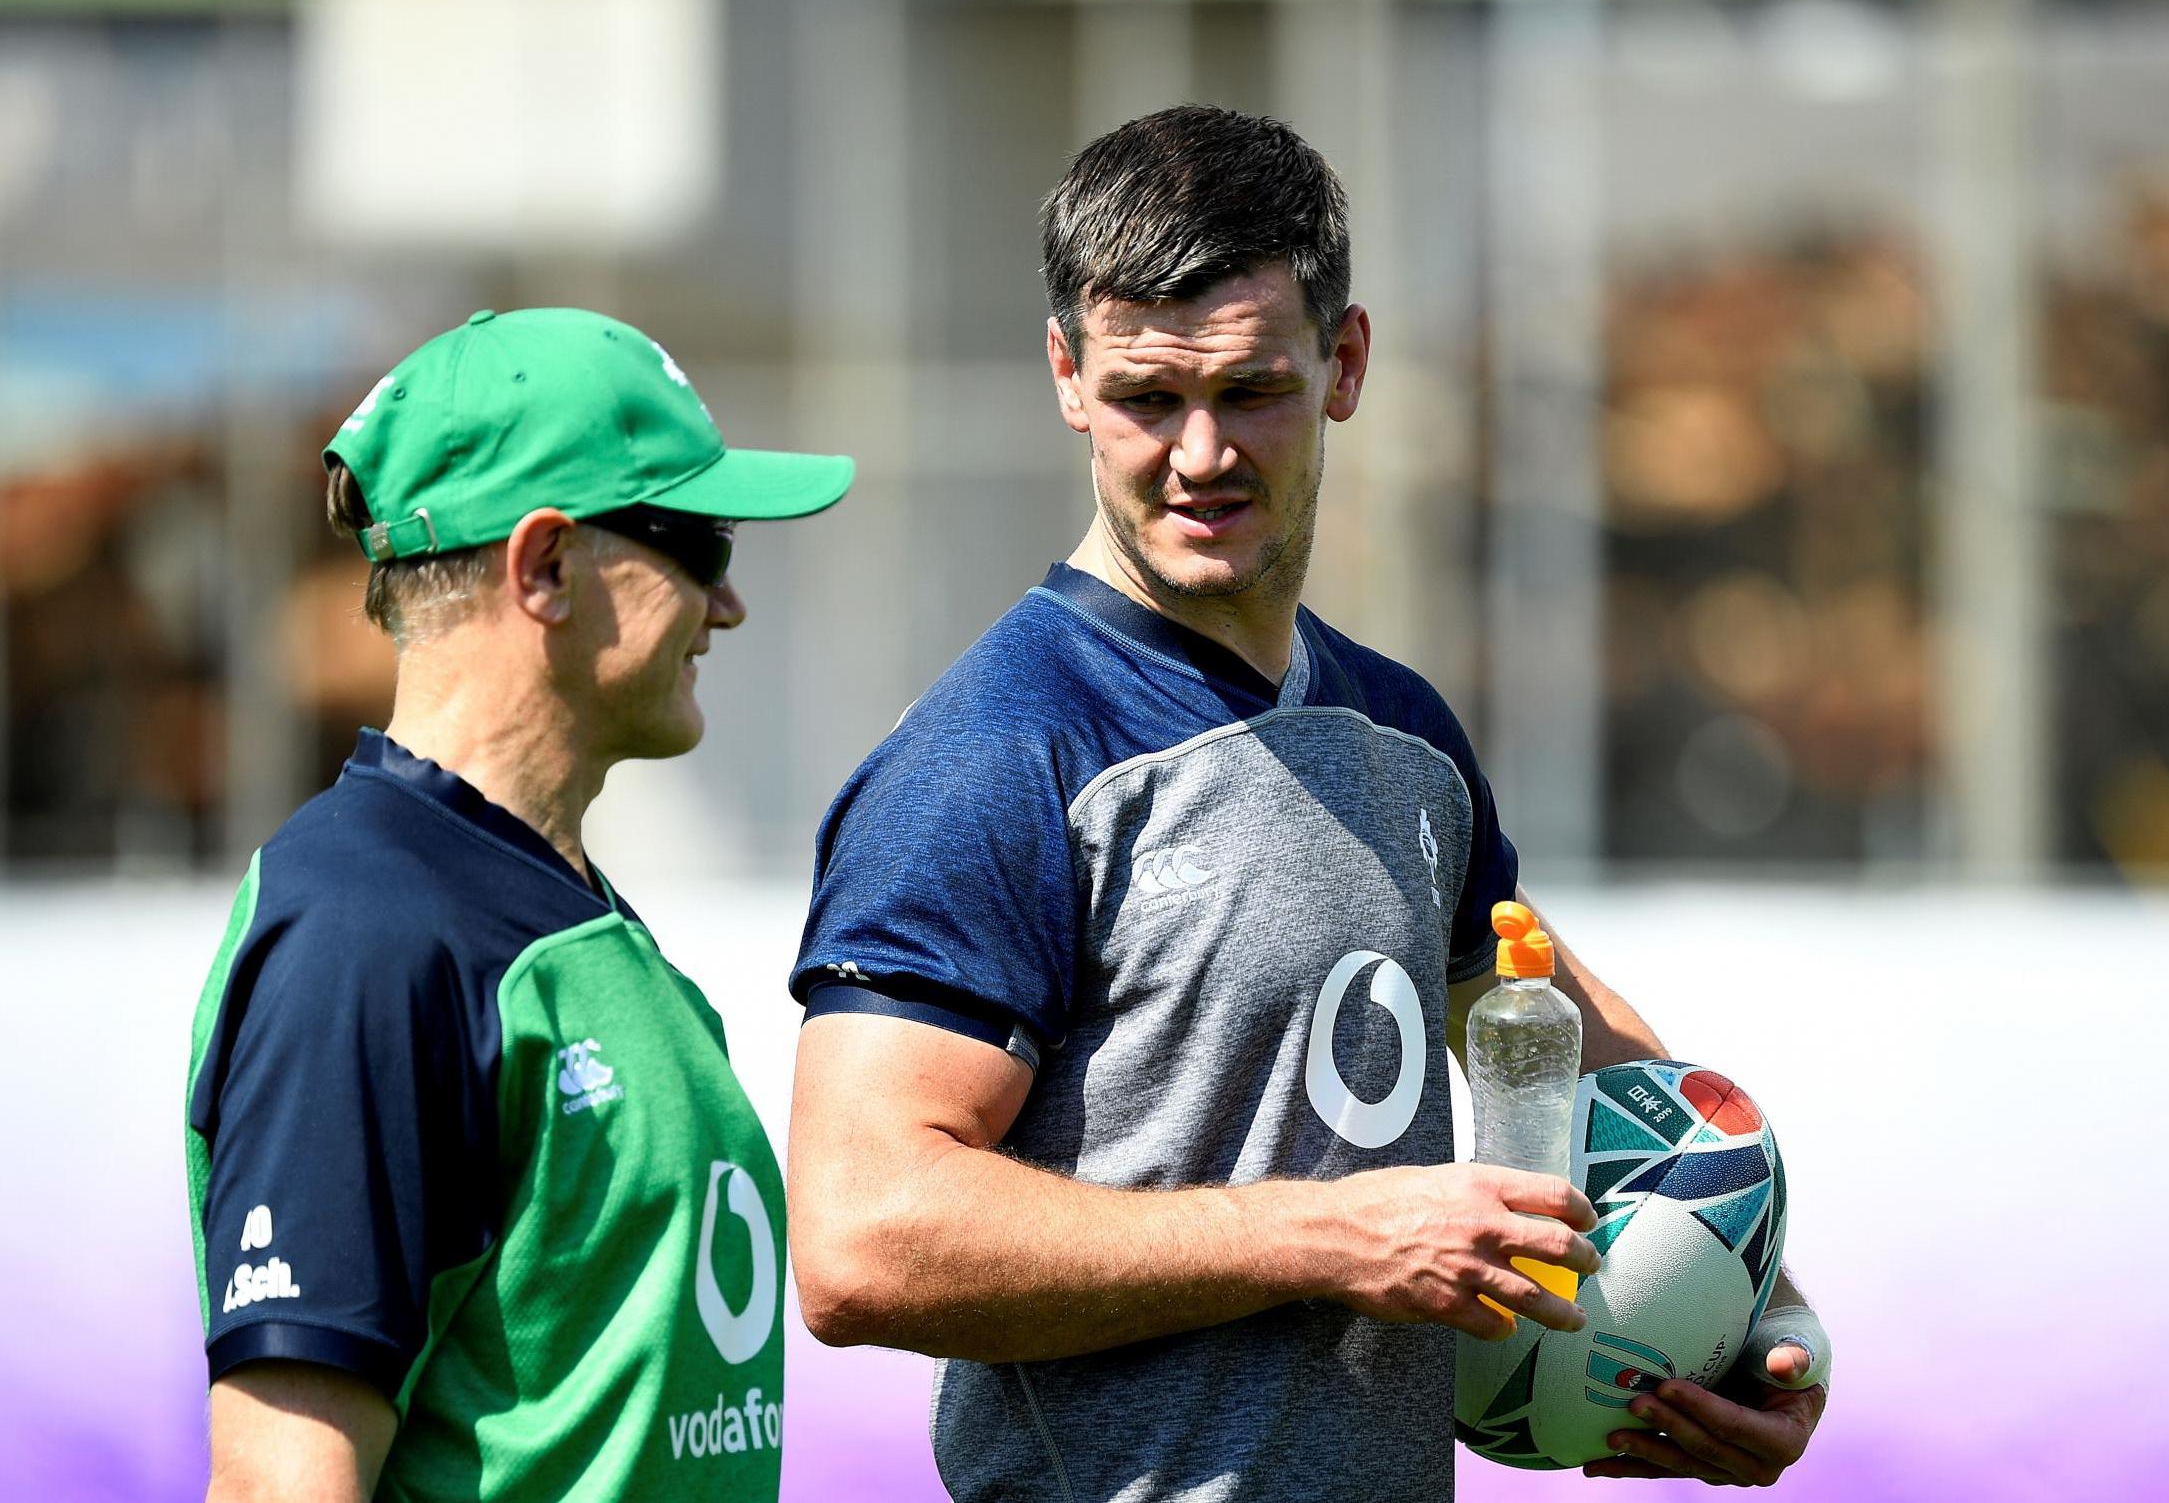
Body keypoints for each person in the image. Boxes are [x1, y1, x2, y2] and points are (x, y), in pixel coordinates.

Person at [785, 106, 1829, 1500]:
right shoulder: (1000, 751)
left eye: (1251, 388)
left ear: (1342, 363)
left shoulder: (1400, 732)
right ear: (1066, 374)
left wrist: (1756, 1312)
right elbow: (859, 1239)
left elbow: (1583, 1053)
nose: (1201, 452)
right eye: (1150, 396)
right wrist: (1330, 1237)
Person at [184, 307, 852, 1502]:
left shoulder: (547, 909)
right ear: (542, 565)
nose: (729, 602)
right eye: (696, 540)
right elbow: (282, 1483)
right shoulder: (367, 932)